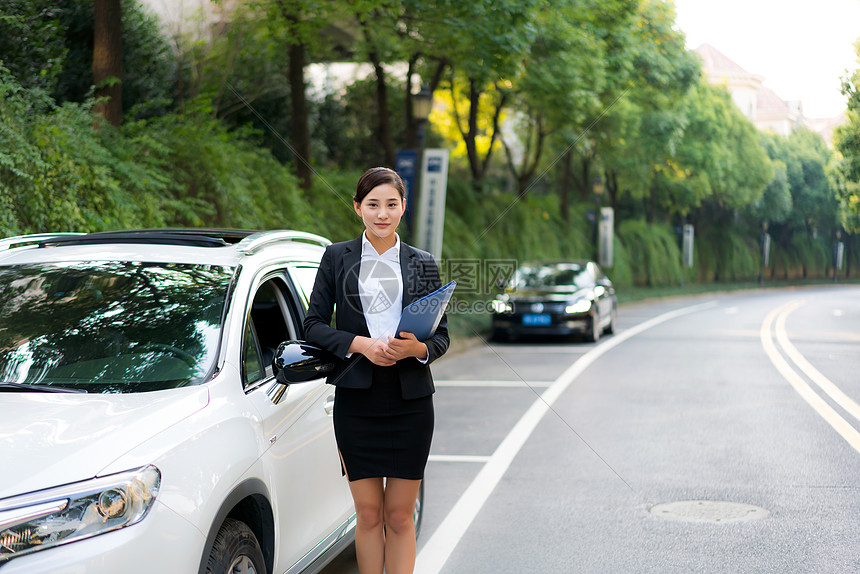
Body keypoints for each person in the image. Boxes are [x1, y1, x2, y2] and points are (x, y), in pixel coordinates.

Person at [303, 166, 449, 574]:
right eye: (372, 205)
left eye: (390, 204)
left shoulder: (422, 264)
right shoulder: (336, 257)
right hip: (356, 399)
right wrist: (361, 345)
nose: (381, 213)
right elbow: (312, 324)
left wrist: (417, 348)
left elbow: (442, 337)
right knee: (368, 516)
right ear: (357, 208)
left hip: (411, 402)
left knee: (400, 517)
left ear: (403, 207)